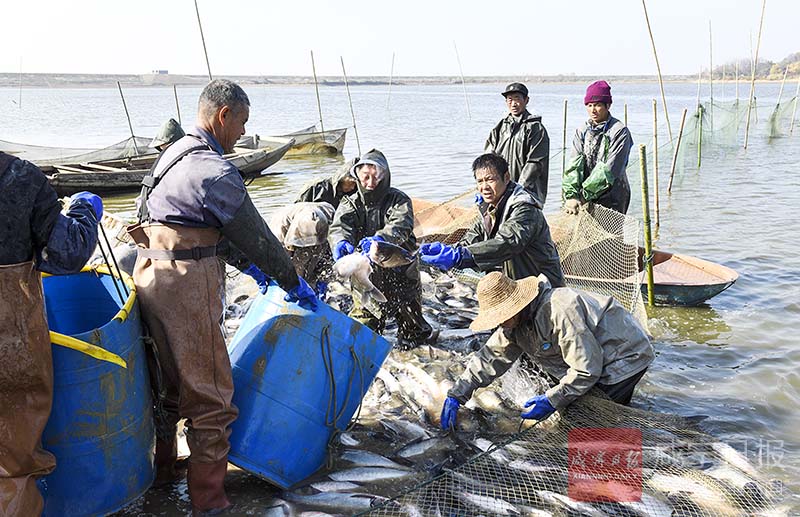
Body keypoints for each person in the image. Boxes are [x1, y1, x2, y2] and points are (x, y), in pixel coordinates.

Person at [128, 79, 318, 514]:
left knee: (167, 384)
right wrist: (290, 279)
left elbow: (187, 223)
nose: (242, 133)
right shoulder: (215, 171)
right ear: (223, 116)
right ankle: (210, 502)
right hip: (185, 287)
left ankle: (162, 472)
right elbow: (256, 236)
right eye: (243, 123)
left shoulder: (171, 155)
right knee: (213, 398)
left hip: (149, 275)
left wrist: (246, 267)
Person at [0, 152, 102, 516]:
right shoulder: (19, 177)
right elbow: (68, 254)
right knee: (12, 462)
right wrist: (85, 212)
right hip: (9, 340)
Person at [440, 271, 654, 430]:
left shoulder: (560, 310)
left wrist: (553, 399)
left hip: (625, 355)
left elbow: (587, 370)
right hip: (595, 355)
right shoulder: (513, 324)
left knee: (581, 422)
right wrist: (458, 394)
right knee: (579, 404)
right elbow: (491, 357)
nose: (500, 323)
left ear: (517, 306)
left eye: (502, 317)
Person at [328, 149, 435, 349]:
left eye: (375, 176)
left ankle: (413, 348)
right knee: (364, 327)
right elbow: (340, 227)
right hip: (366, 273)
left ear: (384, 176)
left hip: (401, 269)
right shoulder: (350, 202)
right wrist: (340, 241)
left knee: (413, 327)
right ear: (357, 176)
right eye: (365, 177)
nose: (370, 182)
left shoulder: (399, 200)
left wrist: (380, 239)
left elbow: (401, 226)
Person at [419, 153, 565, 288]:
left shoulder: (525, 209)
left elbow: (507, 243)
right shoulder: (489, 209)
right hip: (513, 285)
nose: (484, 187)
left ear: (506, 177)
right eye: (480, 181)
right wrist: (450, 250)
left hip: (542, 285)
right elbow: (471, 241)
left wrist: (459, 256)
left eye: (490, 179)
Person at [563, 80, 634, 215]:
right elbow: (574, 163)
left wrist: (584, 195)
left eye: (597, 105)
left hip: (613, 196)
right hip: (586, 195)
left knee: (611, 235)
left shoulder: (619, 131)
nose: (593, 110)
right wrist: (572, 195)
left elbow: (610, 170)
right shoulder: (582, 130)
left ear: (608, 105)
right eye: (589, 105)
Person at [485, 82, 550, 205]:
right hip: (501, 190)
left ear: (526, 100)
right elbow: (489, 158)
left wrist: (518, 189)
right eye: (509, 100)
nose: (513, 104)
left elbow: (535, 163)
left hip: (527, 193)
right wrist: (487, 183)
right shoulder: (500, 127)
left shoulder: (535, 128)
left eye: (517, 99)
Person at [268, 201, 336, 298]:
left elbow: (328, 250)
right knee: (292, 268)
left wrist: (324, 278)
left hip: (318, 228)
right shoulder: (278, 231)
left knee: (321, 258)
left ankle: (314, 287)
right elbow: (277, 264)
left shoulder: (328, 212)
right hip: (287, 234)